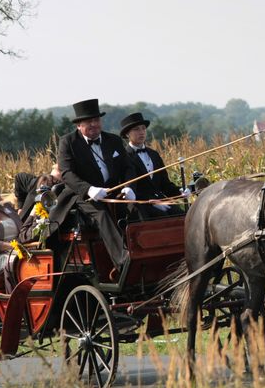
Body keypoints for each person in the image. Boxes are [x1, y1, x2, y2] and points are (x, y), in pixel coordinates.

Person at [51, 98, 137, 279]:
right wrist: (89, 189)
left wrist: (129, 187)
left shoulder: (113, 140)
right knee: (101, 214)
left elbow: (128, 167)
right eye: (89, 122)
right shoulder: (68, 142)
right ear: (79, 125)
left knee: (135, 208)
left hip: (113, 190)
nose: (94, 124)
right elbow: (67, 173)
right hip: (81, 195)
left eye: (96, 120)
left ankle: (145, 251)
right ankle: (124, 260)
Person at [119, 112, 185, 218]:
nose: (141, 132)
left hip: (160, 200)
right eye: (136, 129)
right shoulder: (124, 156)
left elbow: (165, 184)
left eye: (143, 128)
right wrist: (150, 202)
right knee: (160, 218)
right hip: (140, 204)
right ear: (127, 134)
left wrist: (180, 191)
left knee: (183, 215)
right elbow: (127, 188)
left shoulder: (154, 154)